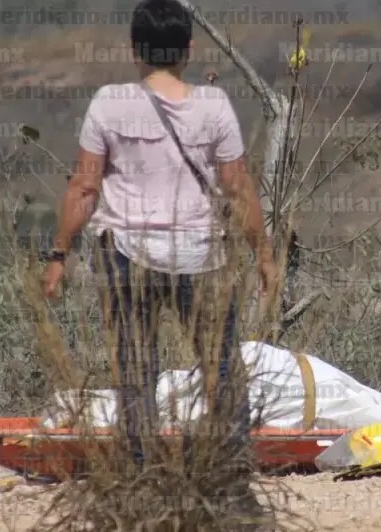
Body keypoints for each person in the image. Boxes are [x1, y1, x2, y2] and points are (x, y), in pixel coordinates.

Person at [41, 0, 278, 464]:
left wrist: (58, 254)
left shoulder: (109, 103)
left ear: (136, 50)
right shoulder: (213, 106)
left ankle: (139, 469)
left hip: (125, 255)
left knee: (134, 370)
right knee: (222, 367)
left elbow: (85, 187)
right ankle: (232, 467)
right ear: (188, 49)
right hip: (201, 255)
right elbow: (238, 188)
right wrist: (265, 253)